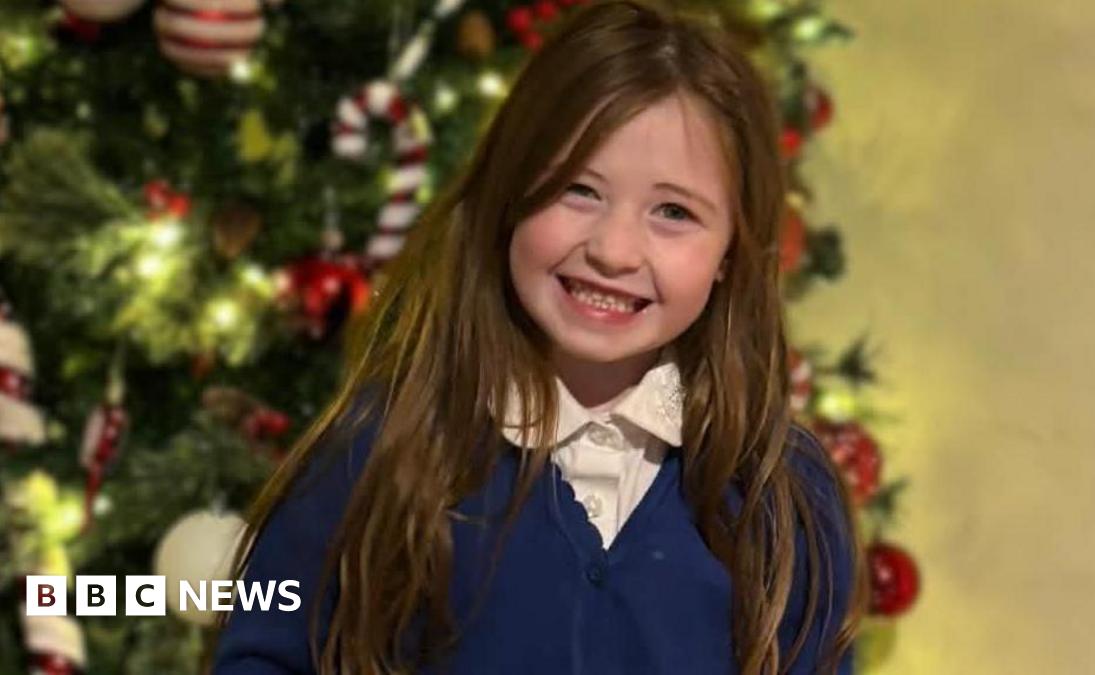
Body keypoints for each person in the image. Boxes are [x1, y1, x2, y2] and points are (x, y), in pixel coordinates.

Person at [208, 1, 867, 673]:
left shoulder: (785, 496)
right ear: (510, 194)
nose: (613, 250)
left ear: (731, 250)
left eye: (673, 211)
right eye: (579, 189)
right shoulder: (385, 444)